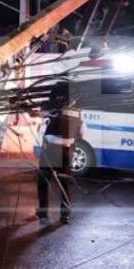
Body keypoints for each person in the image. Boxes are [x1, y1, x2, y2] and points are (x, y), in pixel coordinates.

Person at [36, 82, 81, 224]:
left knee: (43, 181)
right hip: (67, 152)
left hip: (50, 151)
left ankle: (43, 214)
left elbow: (40, 116)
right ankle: (65, 215)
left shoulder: (52, 107)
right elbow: (82, 134)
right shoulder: (77, 110)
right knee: (64, 184)